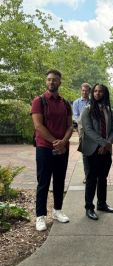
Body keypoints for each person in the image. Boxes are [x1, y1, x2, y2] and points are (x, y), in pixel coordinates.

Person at [31, 69, 72, 231]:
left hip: (62, 148)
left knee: (60, 180)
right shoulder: (39, 101)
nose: (51, 82)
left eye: (54, 80)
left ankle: (57, 211)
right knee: (43, 182)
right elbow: (38, 126)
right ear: (45, 82)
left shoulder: (65, 103)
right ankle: (40, 216)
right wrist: (55, 142)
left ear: (59, 82)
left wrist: (63, 142)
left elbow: (70, 126)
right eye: (49, 79)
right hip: (45, 148)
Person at [80, 84, 113, 221]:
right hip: (91, 150)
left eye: (100, 91)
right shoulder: (87, 110)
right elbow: (88, 130)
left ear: (105, 94)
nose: (97, 93)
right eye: (95, 91)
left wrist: (108, 144)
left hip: (106, 150)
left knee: (103, 178)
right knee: (91, 179)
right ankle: (89, 207)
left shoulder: (109, 111)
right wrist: (103, 143)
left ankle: (102, 204)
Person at [73, 83, 91, 183]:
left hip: (93, 131)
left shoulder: (93, 102)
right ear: (81, 90)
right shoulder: (76, 103)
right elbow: (75, 116)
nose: (84, 92)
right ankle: (87, 176)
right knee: (85, 153)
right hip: (82, 130)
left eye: (86, 90)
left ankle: (94, 175)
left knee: (94, 152)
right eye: (83, 90)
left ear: (89, 91)